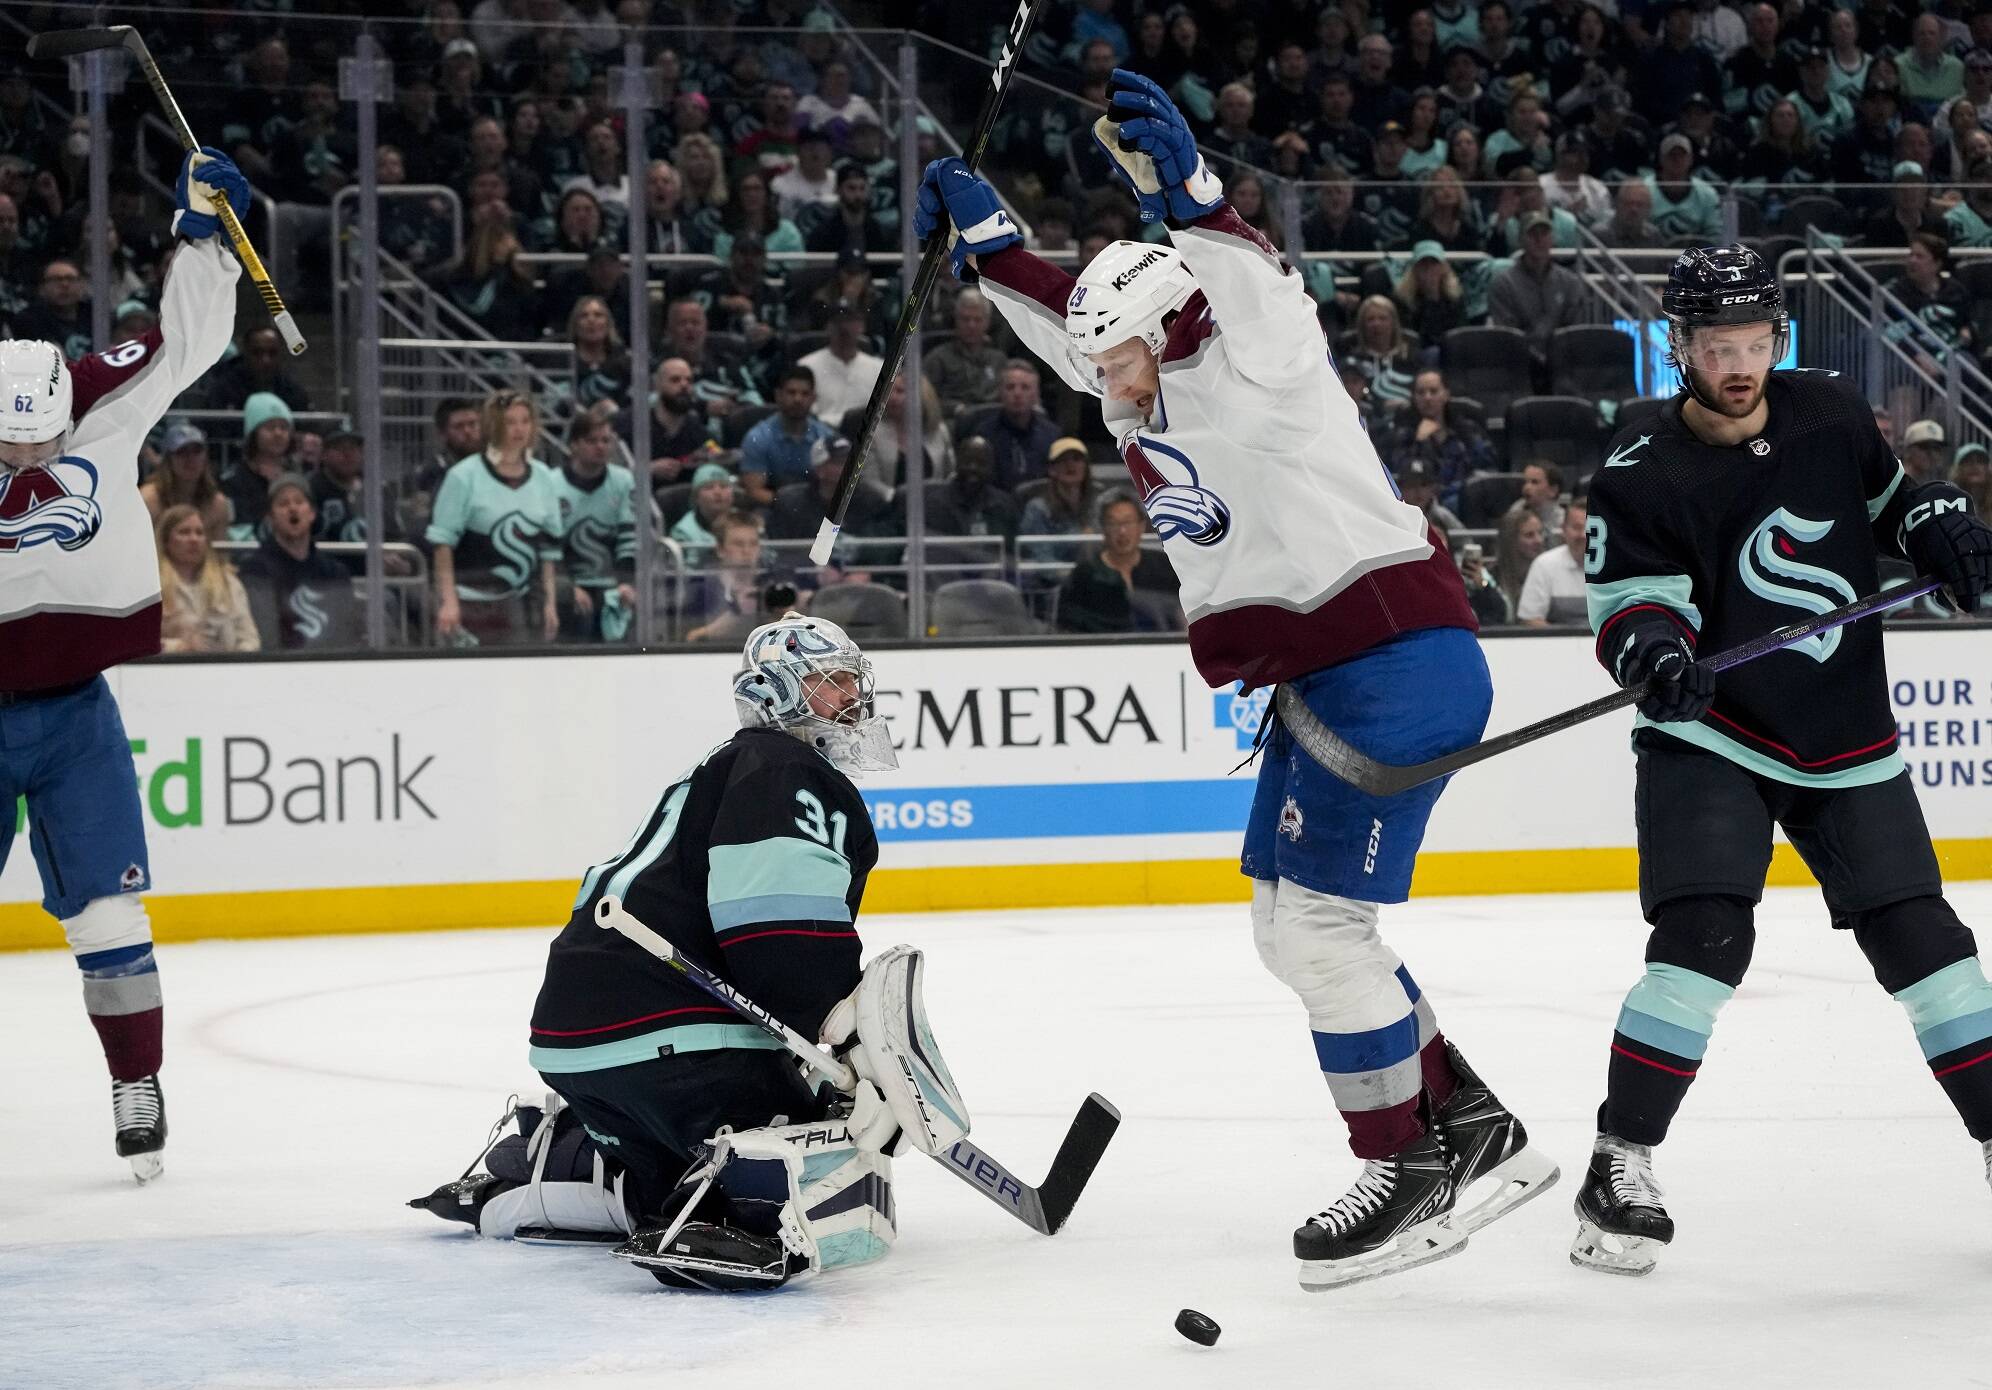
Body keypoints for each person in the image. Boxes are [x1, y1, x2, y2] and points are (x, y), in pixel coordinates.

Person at [923, 69, 1557, 1289]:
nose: (1094, 377)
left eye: (1115, 358)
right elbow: (1070, 312)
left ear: (1170, 330)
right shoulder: (1134, 370)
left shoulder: (1258, 365)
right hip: (1324, 674)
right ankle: (1465, 1119)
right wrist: (987, 237)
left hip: (1392, 662)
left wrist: (1194, 193)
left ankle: (1410, 1160)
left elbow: (1254, 292)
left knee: (1321, 930)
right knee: (1288, 923)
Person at [1572, 244, 1992, 1277]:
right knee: (1704, 937)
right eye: (1718, 345)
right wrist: (1654, 649)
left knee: (1929, 945)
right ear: (1680, 348)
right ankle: (1619, 1164)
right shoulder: (1641, 472)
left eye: (1755, 341)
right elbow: (1627, 604)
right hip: (1711, 732)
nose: (1740, 362)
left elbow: (1894, 501)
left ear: (1780, 340)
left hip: (1843, 729)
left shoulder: (1830, 415)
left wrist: (1937, 523)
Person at [412, 613, 952, 1293]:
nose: (852, 697)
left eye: (852, 680)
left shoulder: (723, 768)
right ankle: (742, 1211)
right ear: (779, 691)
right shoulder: (787, 770)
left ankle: (564, 1166)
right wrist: (841, 1056)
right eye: (831, 681)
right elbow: (779, 939)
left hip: (581, 1049)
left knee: (669, 1179)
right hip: (673, 1048)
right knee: (840, 1136)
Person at [0, 147, 248, 1182]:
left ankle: (134, 1078)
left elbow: (188, 341)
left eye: (40, 443)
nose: (27, 461)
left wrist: (206, 242)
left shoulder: (102, 398)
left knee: (111, 911)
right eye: (9, 451)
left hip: (75, 714)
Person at [427, 389, 562, 646]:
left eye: (525, 421)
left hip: (520, 601)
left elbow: (548, 550)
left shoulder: (544, 477)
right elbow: (443, 544)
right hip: (469, 599)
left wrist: (550, 603)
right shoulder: (463, 476)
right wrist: (448, 602)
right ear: (493, 425)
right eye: (510, 422)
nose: (518, 429)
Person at [233, 475, 360, 649]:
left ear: (312, 513)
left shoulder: (335, 572)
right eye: (283, 504)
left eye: (299, 502)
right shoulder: (255, 570)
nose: (292, 508)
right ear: (270, 517)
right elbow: (264, 635)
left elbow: (345, 632)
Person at [550, 409, 638, 642]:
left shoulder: (623, 481)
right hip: (568, 585)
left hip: (612, 586)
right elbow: (549, 544)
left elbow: (628, 537)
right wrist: (568, 588)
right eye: (591, 441)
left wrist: (626, 583)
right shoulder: (551, 483)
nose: (600, 447)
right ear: (574, 445)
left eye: (606, 440)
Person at [1054, 494, 1182, 633]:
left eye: (1128, 522)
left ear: (1141, 526)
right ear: (1103, 529)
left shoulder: (1164, 566)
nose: (1122, 531)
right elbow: (1067, 626)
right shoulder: (1083, 575)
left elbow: (1184, 612)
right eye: (1113, 523)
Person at [155, 504, 259, 654]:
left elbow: (249, 638)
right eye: (184, 532)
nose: (193, 539)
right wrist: (180, 647)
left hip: (225, 668)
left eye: (199, 533)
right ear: (166, 541)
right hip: (167, 668)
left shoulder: (228, 583)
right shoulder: (153, 587)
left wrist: (237, 661)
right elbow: (138, 642)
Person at [1489, 211, 1590, 366]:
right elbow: (1507, 334)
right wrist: (1536, 358)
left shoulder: (1570, 282)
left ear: (1552, 239)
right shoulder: (1503, 284)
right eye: (1532, 234)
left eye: (1544, 233)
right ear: (1520, 240)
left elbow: (1575, 330)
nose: (1539, 240)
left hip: (1563, 364)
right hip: (1518, 365)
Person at [738, 365, 834, 508]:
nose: (798, 399)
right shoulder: (757, 437)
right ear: (778, 396)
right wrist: (793, 505)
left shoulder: (826, 437)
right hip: (773, 508)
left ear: (813, 398)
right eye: (791, 392)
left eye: (805, 394)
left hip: (818, 508)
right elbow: (754, 491)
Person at [139, 421, 231, 541]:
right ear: (168, 460)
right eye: (181, 452)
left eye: (197, 451)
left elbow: (220, 555)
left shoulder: (217, 504)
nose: (190, 459)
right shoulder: (149, 499)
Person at [797, 300, 883, 425]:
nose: (844, 327)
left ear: (862, 326)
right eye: (838, 321)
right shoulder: (806, 367)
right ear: (828, 326)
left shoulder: (878, 368)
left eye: (850, 321)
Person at [1515, 492, 1589, 626]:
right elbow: (1530, 619)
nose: (1583, 534)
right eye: (1576, 527)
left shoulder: (1618, 566)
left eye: (1590, 528)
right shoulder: (1544, 565)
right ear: (1563, 530)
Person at [670, 460, 739, 551]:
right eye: (709, 487)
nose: (718, 492)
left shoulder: (746, 521)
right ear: (696, 497)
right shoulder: (683, 532)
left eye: (723, 486)